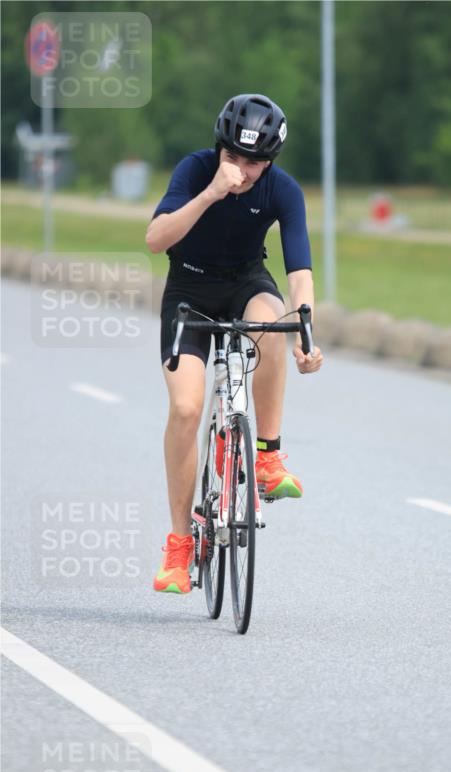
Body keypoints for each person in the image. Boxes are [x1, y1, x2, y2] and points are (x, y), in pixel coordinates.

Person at [146, 94, 323, 595]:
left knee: (270, 328)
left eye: (254, 163)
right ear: (218, 148)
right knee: (186, 409)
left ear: (270, 162)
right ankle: (179, 546)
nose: (242, 172)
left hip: (246, 281)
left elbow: (300, 269)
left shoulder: (283, 190)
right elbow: (156, 239)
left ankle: (267, 454)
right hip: (190, 289)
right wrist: (209, 194)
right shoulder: (195, 169)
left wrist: (306, 333)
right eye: (234, 158)